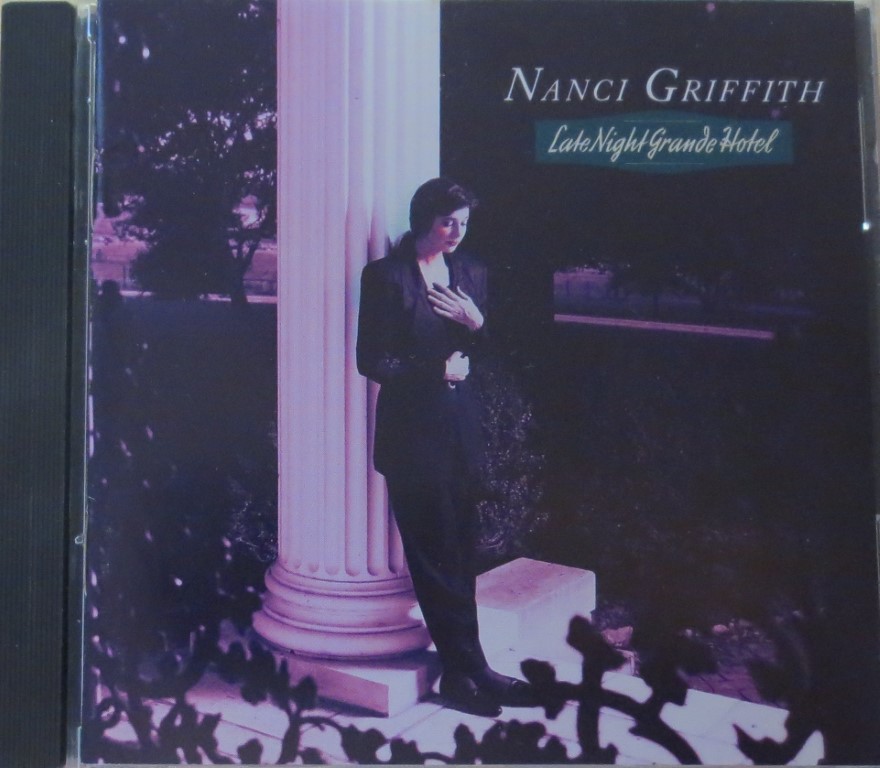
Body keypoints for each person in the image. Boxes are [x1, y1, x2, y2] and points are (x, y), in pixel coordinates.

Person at [356, 178, 533, 717]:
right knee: (434, 560)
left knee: (460, 554)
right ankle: (462, 674)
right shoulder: (386, 277)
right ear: (423, 220)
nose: (456, 232)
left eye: (464, 223)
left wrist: (477, 323)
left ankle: (474, 669)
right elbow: (372, 360)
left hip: (461, 432)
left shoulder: (471, 272)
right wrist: (435, 370)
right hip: (413, 439)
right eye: (447, 221)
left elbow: (490, 348)